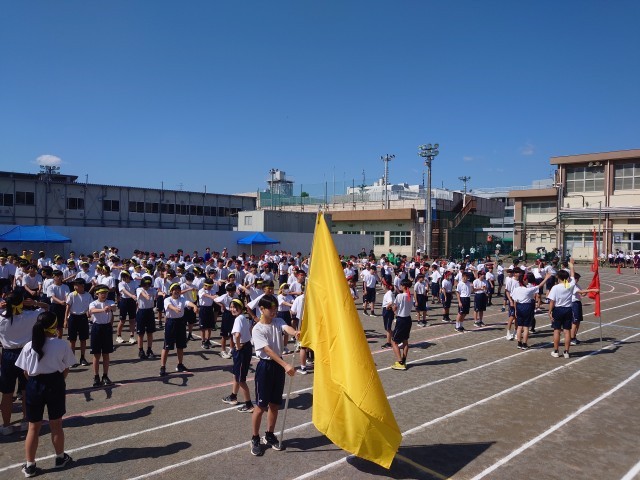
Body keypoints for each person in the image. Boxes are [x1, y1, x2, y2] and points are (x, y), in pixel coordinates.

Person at [15, 311, 75, 477]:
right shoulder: (61, 345)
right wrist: (57, 380)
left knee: (33, 427)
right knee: (56, 424)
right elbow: (66, 368)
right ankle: (60, 457)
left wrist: (35, 381)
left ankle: (30, 465)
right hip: (54, 383)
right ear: (54, 326)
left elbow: (25, 372)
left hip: (34, 385)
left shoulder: (29, 346)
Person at [250, 294, 299, 456]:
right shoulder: (257, 329)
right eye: (270, 309)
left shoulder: (278, 321)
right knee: (260, 406)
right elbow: (267, 350)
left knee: (275, 404)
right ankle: (255, 438)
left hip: (278, 367)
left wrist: (295, 332)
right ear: (261, 309)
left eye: (275, 308)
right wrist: (285, 365)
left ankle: (269, 435)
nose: (274, 311)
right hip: (266, 367)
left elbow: (287, 328)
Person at [0, 290, 49, 436]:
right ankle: (26, 420)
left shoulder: (1, 318)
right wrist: (35, 303)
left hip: (8, 354)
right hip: (26, 354)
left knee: (7, 393)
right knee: (26, 390)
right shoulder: (30, 316)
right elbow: (47, 308)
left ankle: (6, 425)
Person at [222, 299, 255, 413]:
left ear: (241, 308)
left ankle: (249, 404)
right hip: (246, 347)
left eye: (235, 307)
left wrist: (237, 345)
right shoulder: (243, 318)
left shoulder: (238, 319)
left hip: (242, 349)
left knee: (241, 379)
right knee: (236, 374)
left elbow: (237, 335)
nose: (233, 309)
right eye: (231, 307)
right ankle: (233, 396)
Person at [160, 283, 198, 376]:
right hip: (171, 323)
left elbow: (188, 303)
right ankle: (163, 367)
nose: (177, 292)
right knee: (167, 346)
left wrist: (194, 306)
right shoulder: (167, 299)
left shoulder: (182, 299)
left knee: (180, 346)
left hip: (180, 322)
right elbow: (169, 306)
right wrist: (175, 309)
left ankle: (180, 365)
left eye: (178, 290)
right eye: (175, 290)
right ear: (171, 291)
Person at [89, 285, 117, 387]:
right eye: (102, 293)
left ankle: (105, 376)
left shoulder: (110, 302)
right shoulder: (93, 303)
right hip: (97, 328)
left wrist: (110, 308)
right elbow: (92, 310)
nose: (104, 295)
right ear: (97, 294)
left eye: (105, 293)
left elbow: (114, 308)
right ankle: (96, 376)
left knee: (106, 353)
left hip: (107, 327)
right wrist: (103, 310)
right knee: (96, 354)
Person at [548, 260, 576, 358]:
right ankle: (566, 352)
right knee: (567, 331)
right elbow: (573, 276)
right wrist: (571, 265)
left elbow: (552, 301)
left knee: (557, 330)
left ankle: (556, 351)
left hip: (558, 310)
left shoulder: (555, 287)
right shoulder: (569, 286)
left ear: (558, 277)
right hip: (568, 309)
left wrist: (549, 311)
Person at [64, 279, 92, 367]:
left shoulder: (88, 295)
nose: (75, 287)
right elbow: (67, 308)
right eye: (74, 285)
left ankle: (82, 358)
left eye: (77, 285)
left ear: (82, 286)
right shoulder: (72, 295)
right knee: (72, 340)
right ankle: (72, 359)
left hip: (83, 318)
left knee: (83, 339)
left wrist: (89, 313)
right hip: (73, 317)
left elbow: (91, 307)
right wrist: (65, 320)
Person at [569, 272, 599, 346]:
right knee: (574, 321)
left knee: (578, 321)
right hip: (573, 303)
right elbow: (581, 291)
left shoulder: (577, 285)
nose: (578, 280)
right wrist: (592, 290)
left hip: (578, 303)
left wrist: (589, 288)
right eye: (577, 279)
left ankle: (574, 336)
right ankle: (571, 338)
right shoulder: (571, 285)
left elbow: (582, 294)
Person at [390, 279, 413, 370]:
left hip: (401, 320)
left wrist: (392, 307)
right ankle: (404, 360)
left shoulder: (400, 296)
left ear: (403, 286)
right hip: (408, 319)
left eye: (401, 285)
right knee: (405, 341)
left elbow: (395, 308)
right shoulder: (410, 296)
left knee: (394, 341)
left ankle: (400, 362)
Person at [136, 277, 157, 359]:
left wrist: (162, 294)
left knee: (150, 332)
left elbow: (157, 293)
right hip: (141, 312)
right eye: (145, 284)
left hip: (150, 311)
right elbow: (142, 294)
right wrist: (146, 296)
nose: (147, 286)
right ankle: (141, 350)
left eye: (148, 284)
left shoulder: (152, 290)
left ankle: (149, 349)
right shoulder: (139, 289)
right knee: (141, 333)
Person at [116, 271, 137, 345]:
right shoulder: (121, 283)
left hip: (132, 302)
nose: (124, 278)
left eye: (125, 277)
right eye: (123, 277)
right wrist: (132, 295)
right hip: (124, 301)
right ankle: (118, 336)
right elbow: (124, 291)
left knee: (132, 320)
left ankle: (132, 336)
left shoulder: (134, 282)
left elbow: (137, 289)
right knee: (122, 320)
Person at [380, 283, 395, 350]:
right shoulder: (388, 293)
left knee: (388, 328)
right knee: (387, 327)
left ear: (385, 286)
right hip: (386, 311)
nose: (382, 286)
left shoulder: (389, 293)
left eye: (382, 285)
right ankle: (395, 338)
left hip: (388, 311)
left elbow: (391, 302)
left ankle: (389, 343)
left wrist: (387, 307)